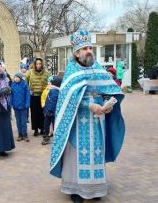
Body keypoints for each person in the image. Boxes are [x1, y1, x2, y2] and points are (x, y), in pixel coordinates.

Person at [50, 30, 125, 203]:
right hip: (78, 122)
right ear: (77, 52)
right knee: (77, 155)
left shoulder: (97, 68)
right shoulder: (71, 70)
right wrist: (90, 105)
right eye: (84, 48)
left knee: (96, 153)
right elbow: (68, 98)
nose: (88, 51)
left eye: (90, 47)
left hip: (97, 122)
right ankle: (76, 190)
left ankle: (95, 188)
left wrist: (108, 103)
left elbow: (110, 89)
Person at [25, 57, 50, 136]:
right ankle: (35, 129)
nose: (38, 65)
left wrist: (47, 90)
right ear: (34, 64)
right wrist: (29, 89)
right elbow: (25, 81)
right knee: (34, 113)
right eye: (37, 64)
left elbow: (50, 82)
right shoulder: (30, 72)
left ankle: (42, 129)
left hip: (43, 97)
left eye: (40, 64)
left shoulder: (46, 73)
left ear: (42, 64)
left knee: (43, 113)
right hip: (34, 96)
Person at [41, 75, 61, 145]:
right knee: (53, 125)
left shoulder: (54, 91)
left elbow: (52, 102)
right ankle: (55, 138)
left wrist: (49, 110)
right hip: (52, 112)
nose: (48, 83)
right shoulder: (55, 90)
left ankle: (46, 138)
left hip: (51, 112)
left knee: (47, 125)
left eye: (50, 82)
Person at [11, 72, 30, 142]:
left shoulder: (24, 85)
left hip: (23, 106)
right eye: (15, 77)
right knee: (18, 121)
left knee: (23, 121)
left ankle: (25, 134)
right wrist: (11, 103)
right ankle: (20, 134)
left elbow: (27, 95)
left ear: (20, 78)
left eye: (17, 77)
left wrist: (27, 103)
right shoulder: (12, 85)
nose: (16, 79)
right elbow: (11, 95)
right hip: (16, 106)